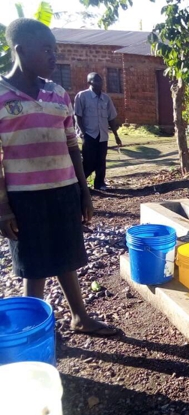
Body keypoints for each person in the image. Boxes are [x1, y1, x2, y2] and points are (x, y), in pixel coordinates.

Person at [0, 19, 118, 336]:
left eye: (55, 49)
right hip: (24, 198)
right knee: (34, 265)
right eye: (47, 49)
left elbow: (71, 147)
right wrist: (3, 208)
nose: (54, 56)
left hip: (64, 189)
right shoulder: (1, 96)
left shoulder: (58, 94)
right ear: (20, 50)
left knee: (67, 254)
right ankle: (32, 330)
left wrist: (84, 192)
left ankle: (80, 317)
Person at [74, 72, 122, 191]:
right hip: (89, 134)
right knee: (89, 161)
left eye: (101, 81)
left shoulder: (106, 98)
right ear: (89, 82)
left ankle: (100, 184)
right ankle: (80, 185)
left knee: (101, 160)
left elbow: (111, 117)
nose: (100, 83)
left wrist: (116, 135)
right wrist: (84, 133)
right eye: (96, 81)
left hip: (103, 134)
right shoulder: (82, 96)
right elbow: (78, 116)